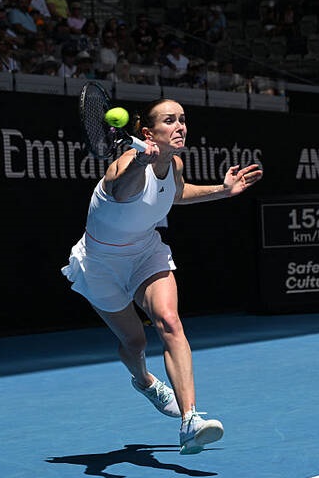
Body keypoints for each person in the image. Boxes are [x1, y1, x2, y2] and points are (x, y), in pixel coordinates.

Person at [61, 99, 263, 454]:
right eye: (170, 120)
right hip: (100, 264)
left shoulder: (175, 164)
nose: (180, 126)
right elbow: (122, 190)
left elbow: (176, 193)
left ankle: (190, 420)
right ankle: (144, 381)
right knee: (135, 343)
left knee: (169, 321)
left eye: (182, 119)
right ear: (147, 133)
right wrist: (141, 162)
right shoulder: (125, 165)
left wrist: (222, 190)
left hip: (144, 252)